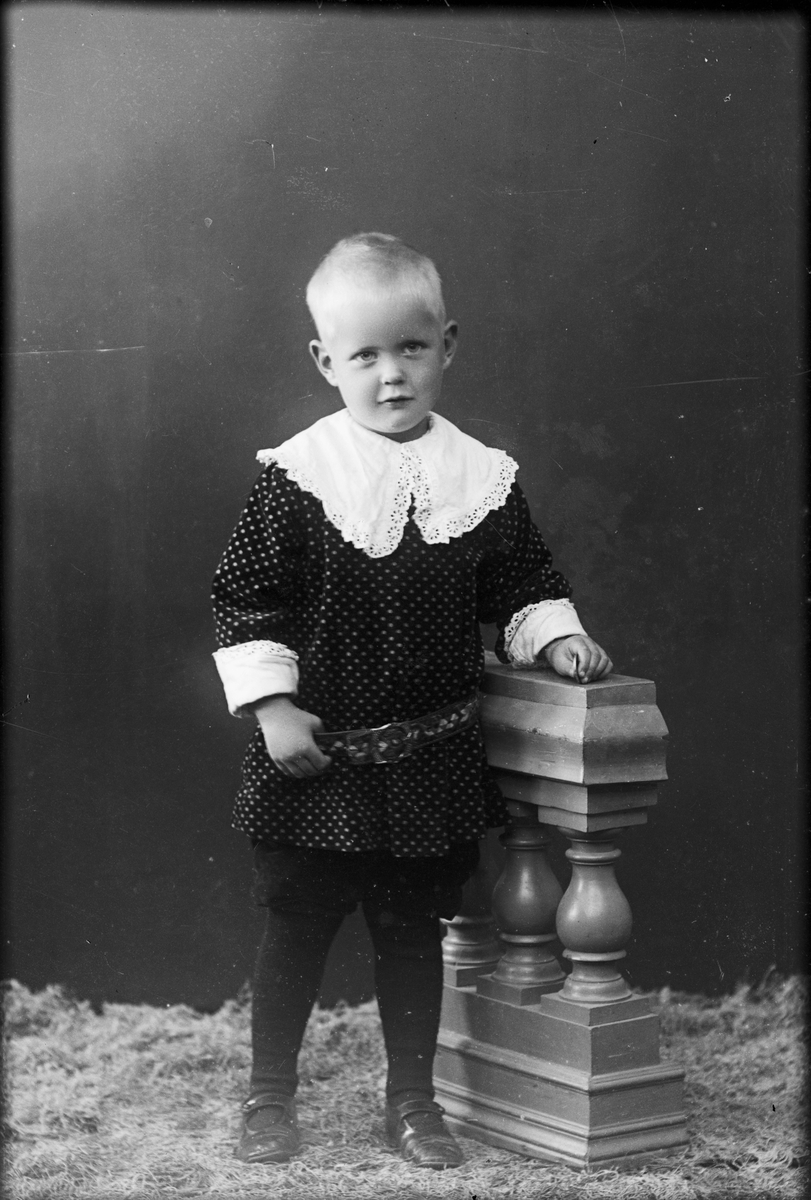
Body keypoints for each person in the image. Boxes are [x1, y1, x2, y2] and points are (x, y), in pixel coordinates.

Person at [211, 232, 612, 1170]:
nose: (391, 375)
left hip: (428, 760)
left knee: (410, 936)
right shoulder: (299, 477)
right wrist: (272, 708)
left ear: (447, 346)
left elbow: (521, 581)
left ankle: (412, 1102)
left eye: (411, 348)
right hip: (319, 759)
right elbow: (245, 598)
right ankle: (269, 1097)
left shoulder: (480, 478)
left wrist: (553, 634)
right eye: (364, 356)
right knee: (297, 929)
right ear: (326, 363)